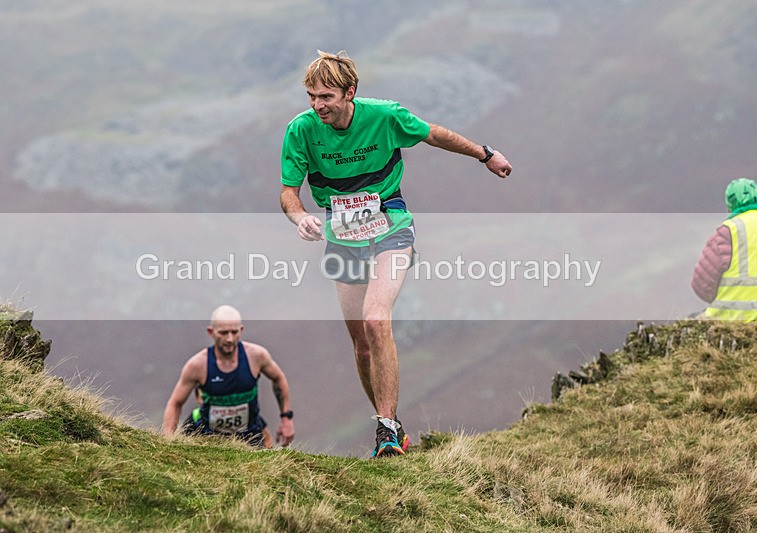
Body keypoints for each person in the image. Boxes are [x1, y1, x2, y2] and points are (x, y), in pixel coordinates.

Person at [279, 50, 512, 457]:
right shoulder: (300, 130)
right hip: (341, 235)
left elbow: (434, 134)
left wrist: (485, 155)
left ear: (349, 93)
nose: (318, 106)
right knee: (360, 345)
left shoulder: (385, 116)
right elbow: (288, 192)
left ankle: (385, 430)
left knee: (375, 318)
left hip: (390, 225)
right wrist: (299, 218)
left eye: (327, 96)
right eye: (312, 96)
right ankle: (392, 426)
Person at [162, 305, 295, 447]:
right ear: (211, 332)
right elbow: (175, 402)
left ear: (241, 330)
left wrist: (286, 419)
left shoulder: (256, 356)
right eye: (223, 333)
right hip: (209, 440)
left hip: (251, 437)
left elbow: (278, 378)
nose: (230, 339)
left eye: (234, 332)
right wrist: (167, 442)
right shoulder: (197, 365)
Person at [692, 178, 757, 321]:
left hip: (734, 316)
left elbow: (701, 284)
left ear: (729, 205)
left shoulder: (728, 232)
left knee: (689, 326)